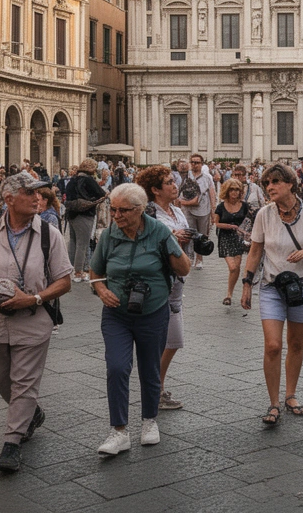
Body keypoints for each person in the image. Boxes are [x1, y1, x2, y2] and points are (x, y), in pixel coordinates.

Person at [0, 172, 72, 472]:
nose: (38, 198)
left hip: (33, 321)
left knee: (24, 382)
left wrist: (33, 299)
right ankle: (31, 412)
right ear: (9, 199)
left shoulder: (50, 235)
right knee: (1, 380)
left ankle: (11, 444)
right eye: (29, 193)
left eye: (39, 193)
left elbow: (64, 282)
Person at [89, 183, 189, 456]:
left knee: (150, 368)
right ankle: (119, 431)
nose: (116, 215)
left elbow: (184, 269)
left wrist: (175, 248)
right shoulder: (109, 235)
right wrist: (102, 291)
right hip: (117, 314)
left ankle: (149, 421)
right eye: (113, 209)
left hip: (153, 312)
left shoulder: (159, 232)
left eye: (123, 210)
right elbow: (95, 272)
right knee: (117, 367)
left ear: (140, 209)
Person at [240, 163, 303, 426]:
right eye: (267, 183)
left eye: (275, 182)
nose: (270, 187)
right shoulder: (264, 214)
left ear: (291, 184)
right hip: (272, 286)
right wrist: (247, 283)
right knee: (273, 346)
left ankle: (290, 394)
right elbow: (255, 251)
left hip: (302, 286)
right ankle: (273, 402)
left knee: (296, 343)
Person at [137, 165, 193, 411]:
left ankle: (156, 388)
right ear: (155, 190)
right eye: (169, 182)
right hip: (159, 283)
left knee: (172, 341)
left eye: (173, 181)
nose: (174, 185)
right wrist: (172, 237)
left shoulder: (177, 211)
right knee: (165, 341)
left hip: (177, 281)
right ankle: (155, 391)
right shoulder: (148, 214)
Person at [65, 159, 107, 284]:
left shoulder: (72, 180)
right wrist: (92, 200)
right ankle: (79, 272)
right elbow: (101, 194)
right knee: (82, 244)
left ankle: (70, 271)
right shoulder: (88, 180)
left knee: (73, 241)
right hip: (85, 214)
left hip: (71, 214)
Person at [214, 178, 253, 305]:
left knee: (237, 266)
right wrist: (230, 226)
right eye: (231, 189)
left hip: (239, 238)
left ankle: (229, 294)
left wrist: (247, 232)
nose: (234, 192)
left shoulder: (244, 205)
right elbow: (216, 223)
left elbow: (249, 220)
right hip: (225, 237)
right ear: (227, 191)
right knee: (232, 267)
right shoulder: (221, 206)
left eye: (237, 189)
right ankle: (229, 293)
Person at [178, 155, 214, 268]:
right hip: (188, 210)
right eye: (192, 162)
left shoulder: (207, 178)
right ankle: (189, 257)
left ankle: (199, 259)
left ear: (201, 164)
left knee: (201, 235)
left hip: (203, 210)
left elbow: (212, 194)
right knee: (189, 234)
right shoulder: (185, 177)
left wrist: (213, 211)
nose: (194, 164)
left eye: (197, 162)